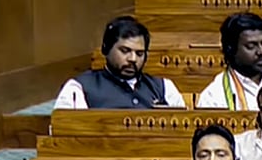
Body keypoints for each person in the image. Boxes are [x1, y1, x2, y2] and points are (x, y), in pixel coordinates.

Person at [54, 16, 186, 109]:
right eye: (125, 51)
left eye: (139, 53)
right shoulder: (79, 88)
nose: (133, 59)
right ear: (106, 48)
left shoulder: (163, 87)